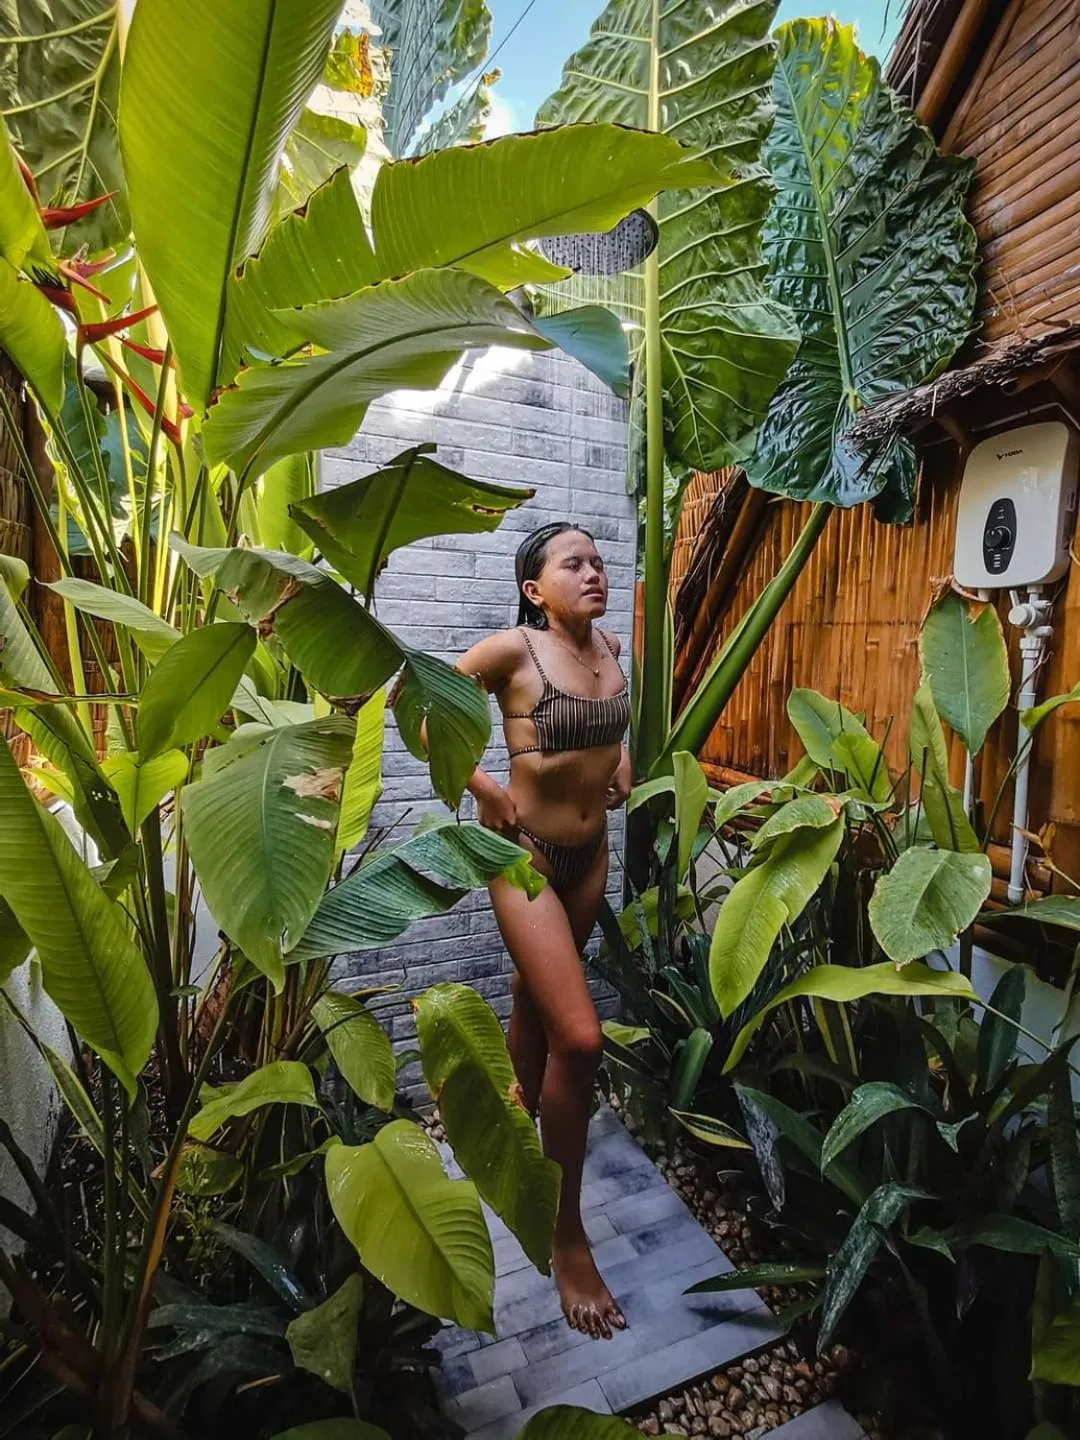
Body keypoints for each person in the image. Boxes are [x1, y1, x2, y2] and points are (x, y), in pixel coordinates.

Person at [454, 522, 632, 1340]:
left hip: (588, 858)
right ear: (535, 589)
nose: (593, 571)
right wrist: (482, 787)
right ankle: (566, 1238)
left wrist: (617, 766)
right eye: (574, 563)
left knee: (538, 991)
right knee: (583, 1040)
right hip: (523, 859)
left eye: (597, 560)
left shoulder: (612, 647)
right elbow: (421, 707)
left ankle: (521, 1118)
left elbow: (611, 733)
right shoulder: (511, 652)